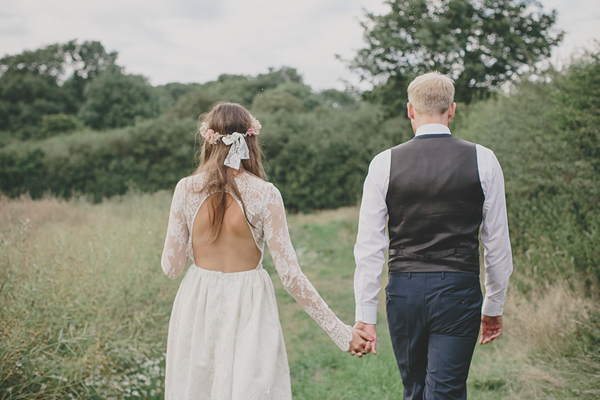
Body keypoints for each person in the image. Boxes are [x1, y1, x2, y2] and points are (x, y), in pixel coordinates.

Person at [161, 102, 371, 400]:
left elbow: (171, 268)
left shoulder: (185, 189)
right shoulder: (265, 194)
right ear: (250, 141)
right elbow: (291, 277)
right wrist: (341, 332)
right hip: (249, 303)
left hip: (198, 301)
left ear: (208, 140)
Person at [353, 72, 513, 399]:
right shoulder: (484, 159)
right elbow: (496, 243)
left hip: (404, 294)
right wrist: (494, 304)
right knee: (447, 391)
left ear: (410, 111)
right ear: (452, 110)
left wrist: (365, 314)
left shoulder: (384, 163)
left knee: (414, 391)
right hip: (459, 292)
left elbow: (369, 247)